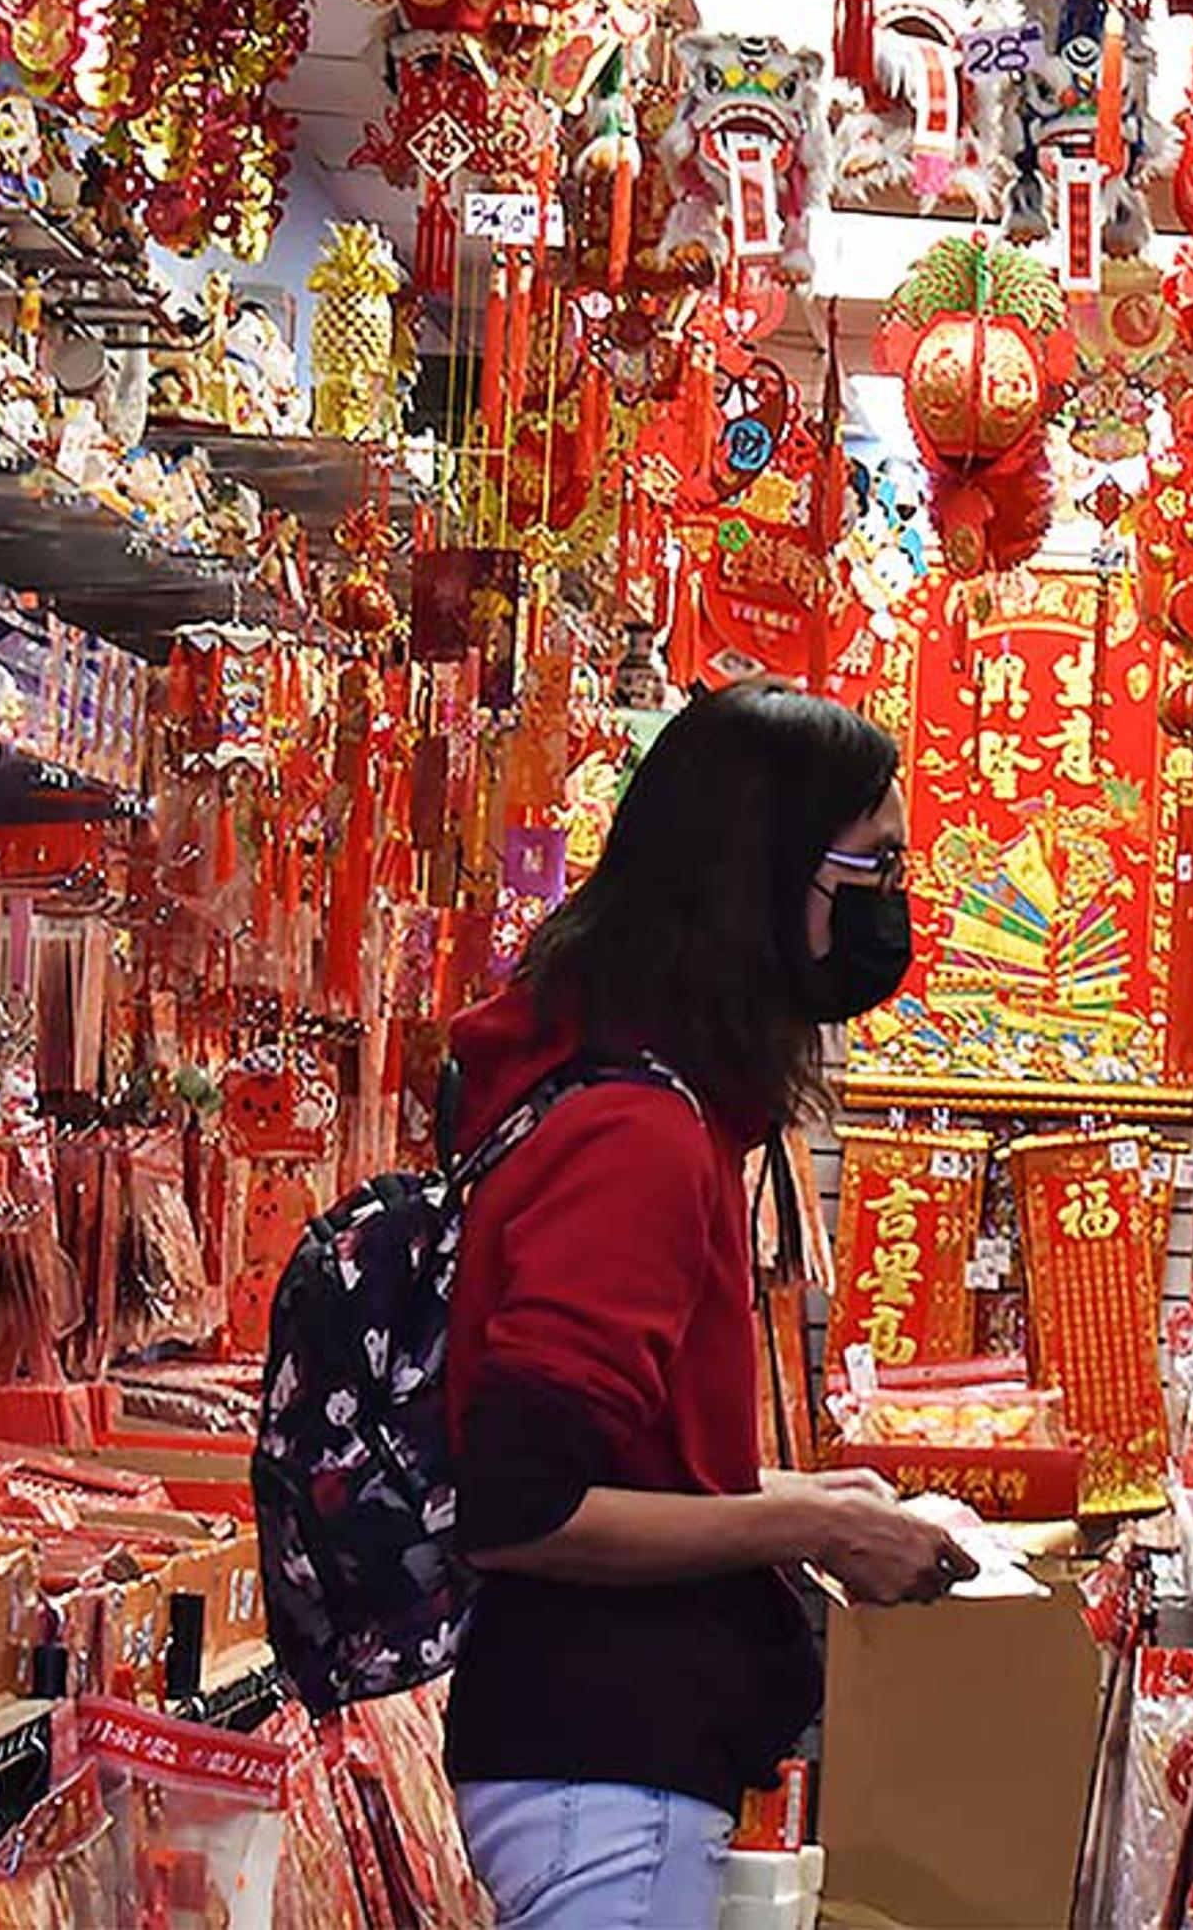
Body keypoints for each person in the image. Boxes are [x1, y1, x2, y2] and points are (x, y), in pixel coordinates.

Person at [440, 679, 968, 1926]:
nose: (894, 906)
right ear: (764, 868)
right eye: (873, 867)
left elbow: (622, 1463)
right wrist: (807, 1532)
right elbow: (524, 1508)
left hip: (609, 1755)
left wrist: (804, 1502)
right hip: (597, 1760)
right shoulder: (638, 1136)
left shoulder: (652, 1108)